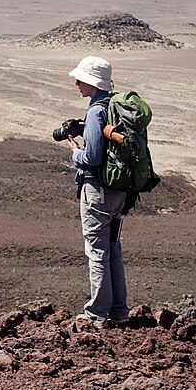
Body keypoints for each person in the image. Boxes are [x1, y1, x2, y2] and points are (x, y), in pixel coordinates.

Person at [65, 56, 129, 329]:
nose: (77, 83)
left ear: (92, 81)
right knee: (113, 247)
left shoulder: (96, 112)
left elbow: (91, 158)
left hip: (97, 191)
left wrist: (74, 153)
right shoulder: (115, 106)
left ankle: (96, 315)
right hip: (118, 191)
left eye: (80, 79)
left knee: (97, 251)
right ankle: (119, 311)